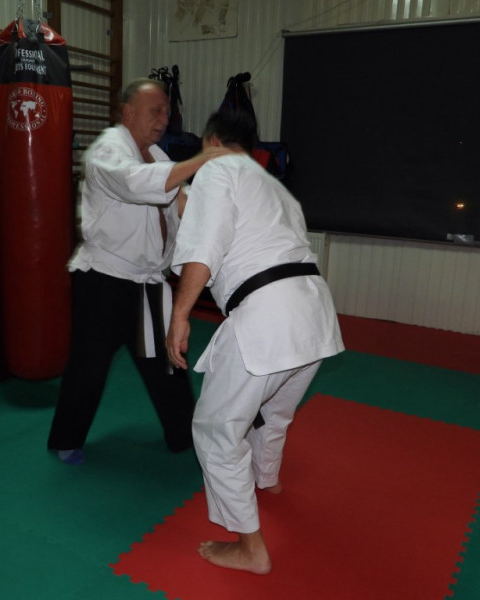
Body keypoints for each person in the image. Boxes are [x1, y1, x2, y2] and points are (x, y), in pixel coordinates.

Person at [165, 110, 345, 574]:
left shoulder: (216, 168)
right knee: (274, 412)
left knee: (215, 430)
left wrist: (179, 315)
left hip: (267, 315)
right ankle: (269, 480)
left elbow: (205, 245)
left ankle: (250, 548)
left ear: (211, 142)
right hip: (314, 312)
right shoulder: (272, 186)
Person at [46, 79, 230, 465]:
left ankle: (184, 435)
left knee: (168, 361)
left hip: (148, 282)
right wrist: (202, 159)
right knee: (89, 365)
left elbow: (183, 202)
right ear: (128, 113)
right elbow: (134, 185)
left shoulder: (158, 156)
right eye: (155, 111)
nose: (163, 119)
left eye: (166, 112)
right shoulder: (107, 150)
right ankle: (67, 439)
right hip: (104, 280)